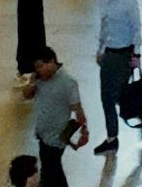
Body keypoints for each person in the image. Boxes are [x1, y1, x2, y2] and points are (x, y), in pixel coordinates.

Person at [92, 0, 142, 153]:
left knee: (120, 94)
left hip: (123, 55)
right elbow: (104, 29)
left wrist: (136, 54)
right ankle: (112, 137)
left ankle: (139, 114)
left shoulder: (129, 3)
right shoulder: (102, 2)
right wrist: (100, 50)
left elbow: (136, 30)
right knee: (106, 97)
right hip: (109, 54)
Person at [29, 47, 88, 187]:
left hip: (56, 138)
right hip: (42, 134)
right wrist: (31, 85)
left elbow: (77, 108)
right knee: (49, 168)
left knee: (53, 169)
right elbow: (26, 95)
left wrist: (84, 130)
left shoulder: (68, 82)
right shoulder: (39, 80)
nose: (38, 70)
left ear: (51, 61)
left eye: (40, 66)